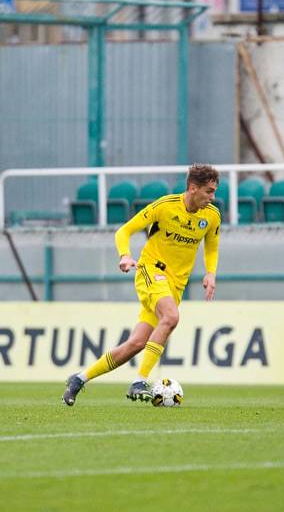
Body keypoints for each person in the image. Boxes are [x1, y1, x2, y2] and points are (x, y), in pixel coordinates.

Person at [62, 164, 221, 406]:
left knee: (135, 344)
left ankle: (79, 379)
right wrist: (124, 255)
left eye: (213, 192)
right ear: (192, 188)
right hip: (151, 270)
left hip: (175, 285)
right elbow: (124, 231)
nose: (212, 197)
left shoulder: (211, 216)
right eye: (209, 191)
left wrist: (210, 273)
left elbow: (212, 245)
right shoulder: (164, 207)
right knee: (171, 317)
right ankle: (140, 380)